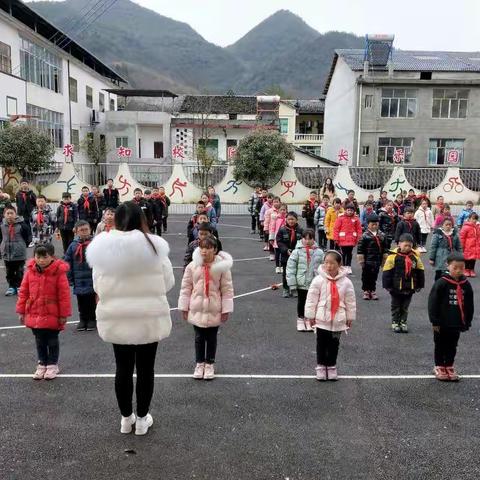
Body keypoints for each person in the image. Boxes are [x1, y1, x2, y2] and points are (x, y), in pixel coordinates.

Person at [86, 201, 175, 436]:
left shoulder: (102, 248)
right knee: (146, 369)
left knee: (122, 368)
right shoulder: (155, 247)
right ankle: (143, 419)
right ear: (142, 219)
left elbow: (97, 285)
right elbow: (168, 283)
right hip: (148, 316)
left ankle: (126, 418)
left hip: (117, 317)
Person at [178, 236, 234, 381]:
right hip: (196, 307)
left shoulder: (222, 267)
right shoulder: (192, 266)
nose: (204, 251)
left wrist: (226, 309)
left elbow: (227, 289)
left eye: (208, 248)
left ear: (214, 250)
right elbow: (186, 287)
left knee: (212, 338)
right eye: (202, 247)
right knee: (198, 338)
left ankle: (209, 364)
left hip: (214, 308)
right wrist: (184, 306)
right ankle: (199, 363)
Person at [16, 243, 71, 380]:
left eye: (44, 257)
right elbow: (23, 292)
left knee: (52, 340)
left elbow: (64, 296)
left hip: (53, 313)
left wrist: (63, 315)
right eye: (38, 257)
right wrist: (21, 311)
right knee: (39, 340)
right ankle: (42, 363)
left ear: (51, 256)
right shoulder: (30, 272)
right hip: (35, 313)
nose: (41, 260)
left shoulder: (59, 273)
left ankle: (52, 364)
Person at [305, 250, 356, 381]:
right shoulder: (318, 280)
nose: (329, 266)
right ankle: (321, 366)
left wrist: (350, 317)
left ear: (339, 264)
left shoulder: (346, 282)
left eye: (332, 263)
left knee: (334, 344)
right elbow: (311, 299)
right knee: (321, 343)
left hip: (338, 319)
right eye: (326, 263)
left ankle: (332, 366)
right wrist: (311, 315)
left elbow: (350, 301)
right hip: (322, 318)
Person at [428, 252, 474, 381]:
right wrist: (434, 321)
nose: (459, 271)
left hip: (457, 322)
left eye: (462, 268)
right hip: (442, 322)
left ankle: (449, 365)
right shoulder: (441, 283)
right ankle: (439, 365)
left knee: (452, 345)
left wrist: (468, 320)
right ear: (448, 266)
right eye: (455, 268)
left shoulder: (466, 284)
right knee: (440, 344)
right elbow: (433, 303)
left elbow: (469, 304)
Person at [382, 233, 425, 333]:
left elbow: (420, 271)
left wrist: (420, 285)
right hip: (395, 287)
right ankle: (395, 321)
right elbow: (387, 271)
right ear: (399, 244)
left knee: (405, 306)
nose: (407, 247)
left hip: (409, 287)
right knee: (396, 306)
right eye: (405, 245)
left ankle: (403, 322)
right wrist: (387, 285)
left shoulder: (415, 257)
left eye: (410, 245)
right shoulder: (392, 257)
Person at [286, 228, 324, 332]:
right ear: (302, 239)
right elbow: (290, 268)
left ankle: (309, 320)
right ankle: (300, 319)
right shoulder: (296, 252)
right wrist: (292, 284)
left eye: (310, 239)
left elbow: (323, 267)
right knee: (302, 302)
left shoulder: (319, 252)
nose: (307, 241)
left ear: (314, 239)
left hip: (314, 282)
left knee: (312, 302)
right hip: (301, 282)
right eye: (305, 238)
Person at [64, 221, 96, 331]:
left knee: (91, 301)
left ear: (90, 230)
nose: (84, 232)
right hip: (78, 279)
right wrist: (69, 277)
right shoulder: (73, 246)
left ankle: (92, 319)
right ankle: (83, 319)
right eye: (81, 230)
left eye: (86, 229)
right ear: (76, 232)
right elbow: (67, 262)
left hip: (91, 278)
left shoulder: (95, 243)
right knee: (81, 301)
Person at [1, 206, 31, 296]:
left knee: (19, 271)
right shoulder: (2, 225)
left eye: (12, 213)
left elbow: (28, 236)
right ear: (4, 215)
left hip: (19, 252)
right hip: (7, 253)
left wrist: (22, 245)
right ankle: (11, 286)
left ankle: (19, 286)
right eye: (8, 213)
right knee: (9, 271)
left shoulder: (22, 224)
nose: (10, 215)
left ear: (15, 214)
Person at [357, 214, 388, 300]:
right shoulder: (364, 236)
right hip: (367, 261)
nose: (374, 226)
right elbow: (360, 250)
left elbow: (385, 248)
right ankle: (366, 291)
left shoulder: (382, 235)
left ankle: (373, 290)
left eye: (376, 224)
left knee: (374, 276)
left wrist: (384, 260)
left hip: (377, 260)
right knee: (366, 276)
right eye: (372, 224)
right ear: (368, 224)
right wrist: (361, 261)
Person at [276, 211, 303, 298]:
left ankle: (294, 289)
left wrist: (297, 251)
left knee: (296, 273)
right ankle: (286, 288)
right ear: (286, 220)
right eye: (289, 219)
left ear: (297, 220)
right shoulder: (282, 230)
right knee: (286, 273)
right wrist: (286, 250)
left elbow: (303, 242)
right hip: (285, 256)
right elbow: (279, 241)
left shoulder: (300, 230)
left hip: (297, 256)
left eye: (293, 219)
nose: (291, 221)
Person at [333, 204, 362, 275]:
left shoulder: (356, 219)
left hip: (352, 240)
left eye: (351, 210)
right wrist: (336, 238)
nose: (350, 212)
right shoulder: (340, 218)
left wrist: (358, 238)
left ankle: (348, 266)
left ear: (354, 211)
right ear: (345, 210)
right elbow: (336, 229)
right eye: (348, 210)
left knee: (349, 254)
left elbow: (359, 229)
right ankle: (342, 266)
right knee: (343, 253)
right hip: (342, 240)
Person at [459, 212, 480, 278]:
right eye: (473, 219)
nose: (474, 220)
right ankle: (466, 269)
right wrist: (461, 246)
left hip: (475, 246)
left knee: (473, 259)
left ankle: (472, 270)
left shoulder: (477, 227)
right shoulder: (465, 227)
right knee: (467, 259)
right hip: (468, 246)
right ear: (469, 219)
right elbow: (462, 238)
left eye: (476, 219)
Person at [269, 203, 287, 274]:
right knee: (277, 254)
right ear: (278, 210)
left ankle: (282, 266)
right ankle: (277, 266)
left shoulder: (287, 219)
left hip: (284, 240)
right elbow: (272, 229)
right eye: (281, 210)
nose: (283, 211)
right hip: (277, 239)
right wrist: (271, 238)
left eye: (284, 210)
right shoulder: (275, 219)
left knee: (283, 254)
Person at [264, 196, 280, 261]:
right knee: (271, 241)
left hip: (280, 229)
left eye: (277, 202)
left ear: (280, 202)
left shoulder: (282, 210)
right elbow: (266, 220)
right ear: (272, 203)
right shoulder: (269, 211)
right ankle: (272, 254)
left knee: (279, 242)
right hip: (272, 230)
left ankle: (279, 254)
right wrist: (266, 229)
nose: (276, 203)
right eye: (274, 202)